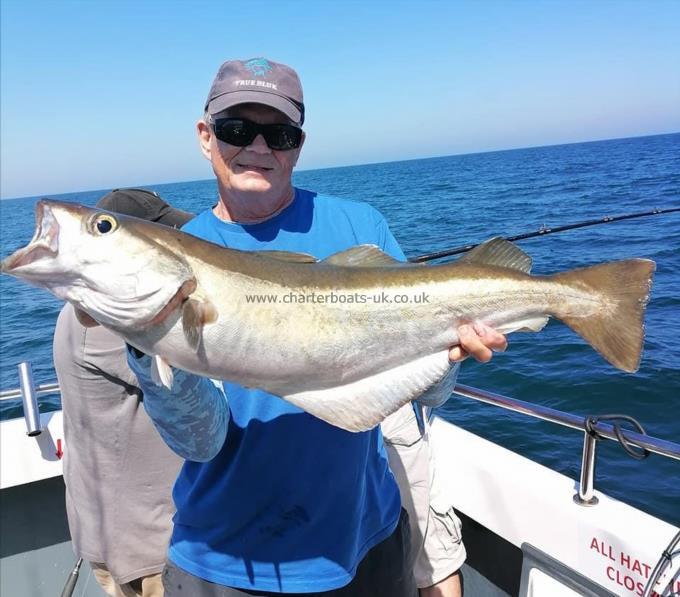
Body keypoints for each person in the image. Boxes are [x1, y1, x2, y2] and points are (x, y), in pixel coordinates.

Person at [126, 57, 506, 596]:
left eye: (278, 134)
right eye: (238, 130)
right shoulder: (184, 261)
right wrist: (149, 342)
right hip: (226, 559)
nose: (258, 148)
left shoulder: (360, 226)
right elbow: (200, 440)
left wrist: (448, 355)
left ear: (298, 144)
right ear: (205, 136)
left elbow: (425, 394)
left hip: (365, 542)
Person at [53, 188, 193, 597]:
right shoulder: (112, 320)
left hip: (106, 530)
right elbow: (190, 379)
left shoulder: (79, 308)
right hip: (151, 541)